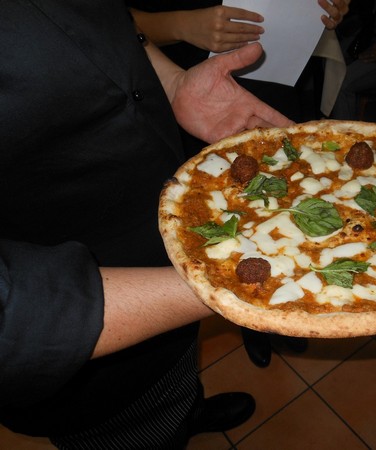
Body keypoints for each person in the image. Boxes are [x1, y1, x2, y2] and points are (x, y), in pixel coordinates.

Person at [0, 1, 292, 448]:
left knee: (174, 368)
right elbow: (16, 321)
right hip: (84, 313)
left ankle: (185, 409)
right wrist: (222, 287)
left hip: (162, 213)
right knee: (126, 427)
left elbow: (96, 17)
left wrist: (171, 81)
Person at [128, 0, 350, 368]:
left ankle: (282, 315)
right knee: (215, 232)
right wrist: (179, 23)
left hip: (273, 79)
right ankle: (256, 323)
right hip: (186, 89)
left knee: (304, 205)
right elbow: (101, 17)